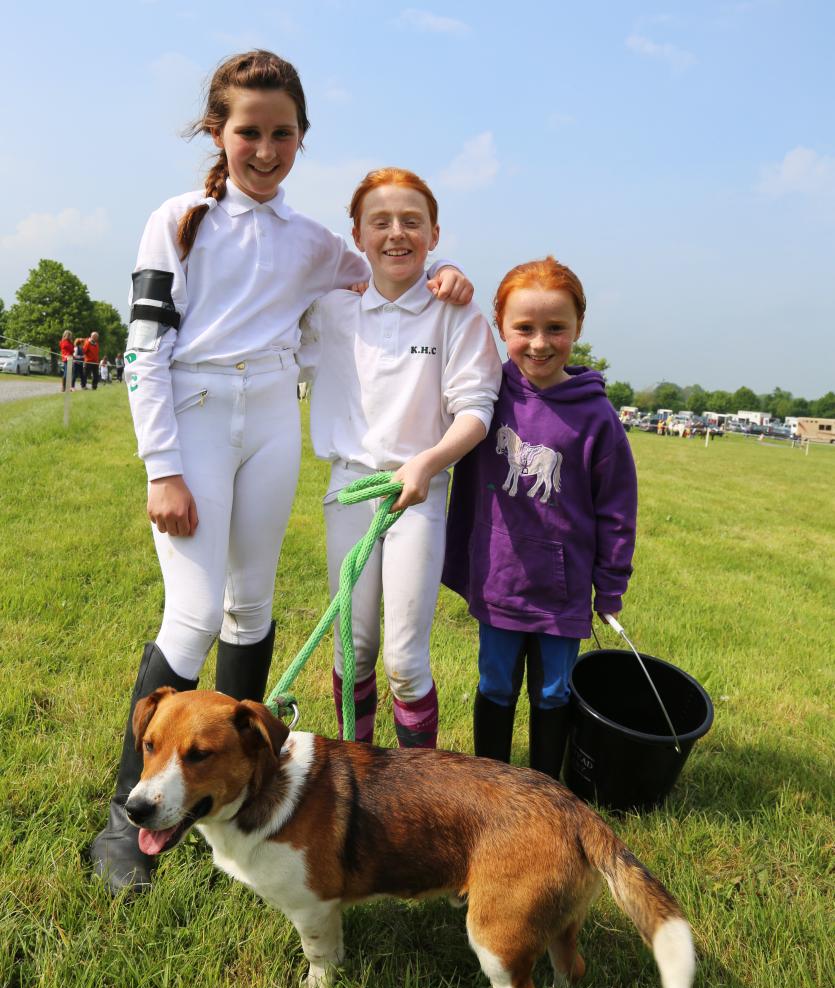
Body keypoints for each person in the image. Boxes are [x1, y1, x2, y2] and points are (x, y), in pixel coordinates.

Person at [89, 50, 473, 895]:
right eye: (247, 132)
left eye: (282, 134)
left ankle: (234, 798)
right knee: (191, 616)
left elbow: (383, 273)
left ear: (302, 137)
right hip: (192, 415)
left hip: (269, 418)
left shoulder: (311, 241)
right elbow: (142, 351)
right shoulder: (178, 219)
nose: (264, 149)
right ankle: (126, 817)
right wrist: (162, 467)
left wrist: (445, 275)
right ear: (217, 133)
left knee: (251, 607)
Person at [300, 168, 502, 749]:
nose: (396, 234)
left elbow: (476, 410)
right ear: (358, 235)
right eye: (381, 222)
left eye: (412, 222)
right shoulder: (331, 310)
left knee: (404, 660)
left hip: (419, 491)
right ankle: (360, 774)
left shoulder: (455, 312)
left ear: (434, 234)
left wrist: (426, 464)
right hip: (349, 490)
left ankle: (420, 786)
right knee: (353, 647)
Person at [442, 258, 637, 778]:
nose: (540, 343)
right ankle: (490, 786)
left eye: (557, 328)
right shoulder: (483, 394)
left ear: (578, 328)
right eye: (523, 328)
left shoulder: (596, 417)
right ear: (499, 325)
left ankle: (546, 788)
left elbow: (617, 509)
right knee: (495, 683)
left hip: (563, 587)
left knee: (553, 690)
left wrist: (610, 585)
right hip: (498, 576)